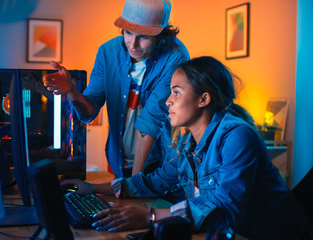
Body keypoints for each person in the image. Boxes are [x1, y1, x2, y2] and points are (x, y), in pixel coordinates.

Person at [61, 56, 312, 239]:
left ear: (204, 99)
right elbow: (155, 181)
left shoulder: (237, 137)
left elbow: (223, 210)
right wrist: (91, 188)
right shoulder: (189, 142)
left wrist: (149, 217)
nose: (168, 100)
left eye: (177, 92)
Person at [43, 0, 190, 178]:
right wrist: (71, 91)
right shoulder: (108, 52)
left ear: (160, 36)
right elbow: (88, 113)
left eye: (143, 36)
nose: (133, 44)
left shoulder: (175, 55)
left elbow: (150, 121)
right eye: (128, 33)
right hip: (118, 162)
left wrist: (134, 183)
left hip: (161, 166)